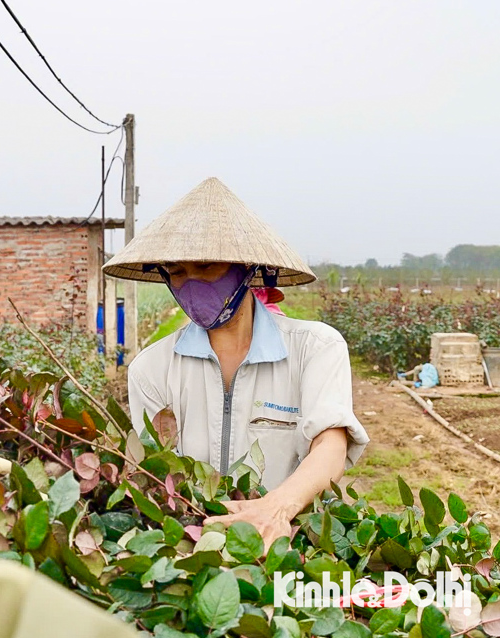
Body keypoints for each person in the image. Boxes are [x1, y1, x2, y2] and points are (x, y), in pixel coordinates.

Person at [102, 177, 369, 550]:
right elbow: (156, 468)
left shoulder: (315, 348)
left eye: (208, 266)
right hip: (194, 542)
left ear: (246, 268)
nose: (191, 283)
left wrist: (274, 509)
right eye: (177, 271)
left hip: (290, 542)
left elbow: (330, 443)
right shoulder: (151, 368)